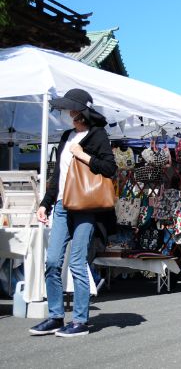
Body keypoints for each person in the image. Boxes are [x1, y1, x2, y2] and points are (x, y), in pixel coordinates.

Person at [30, 89, 116, 337]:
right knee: (52, 262)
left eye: (72, 110)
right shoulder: (67, 136)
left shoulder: (98, 135)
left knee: (78, 263)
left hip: (86, 208)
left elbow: (110, 168)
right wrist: (45, 203)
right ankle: (56, 316)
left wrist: (84, 155)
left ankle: (80, 320)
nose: (69, 113)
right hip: (61, 206)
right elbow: (58, 176)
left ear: (82, 111)